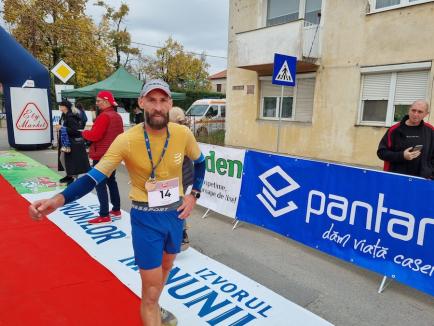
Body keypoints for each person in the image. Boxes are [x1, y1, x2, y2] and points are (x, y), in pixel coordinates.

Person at [29, 79, 205, 326]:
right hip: (146, 219)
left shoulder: (182, 134)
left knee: (166, 268)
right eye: (152, 100)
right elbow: (93, 177)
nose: (158, 106)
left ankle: (154, 302)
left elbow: (200, 163)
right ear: (141, 103)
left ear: (170, 104)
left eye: (163, 100)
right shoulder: (127, 140)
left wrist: (193, 194)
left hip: (175, 216)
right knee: (150, 295)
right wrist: (57, 200)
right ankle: (152, 306)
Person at [82, 91, 124, 224]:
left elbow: (94, 135)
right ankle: (116, 209)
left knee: (100, 184)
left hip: (101, 154)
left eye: (99, 101)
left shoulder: (104, 116)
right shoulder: (117, 116)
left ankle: (104, 214)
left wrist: (84, 133)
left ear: (106, 102)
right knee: (112, 181)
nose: (97, 103)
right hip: (113, 154)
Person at [377, 100, 434, 178]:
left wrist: (430, 173)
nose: (415, 114)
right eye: (413, 110)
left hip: (422, 180)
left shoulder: (430, 130)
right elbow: (381, 153)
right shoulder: (394, 130)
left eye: (420, 112)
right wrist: (402, 156)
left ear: (426, 114)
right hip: (397, 178)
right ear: (409, 109)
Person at [169, 106, 194, 251]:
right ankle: (181, 236)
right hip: (186, 175)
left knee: (176, 206)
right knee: (178, 205)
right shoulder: (185, 131)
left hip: (180, 176)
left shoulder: (176, 134)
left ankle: (180, 237)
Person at [56, 100, 90, 185]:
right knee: (66, 159)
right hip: (67, 142)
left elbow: (76, 131)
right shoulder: (64, 115)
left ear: (65, 107)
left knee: (67, 159)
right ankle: (70, 176)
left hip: (72, 142)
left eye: (61, 105)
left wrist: (62, 128)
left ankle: (71, 177)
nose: (60, 107)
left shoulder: (71, 117)